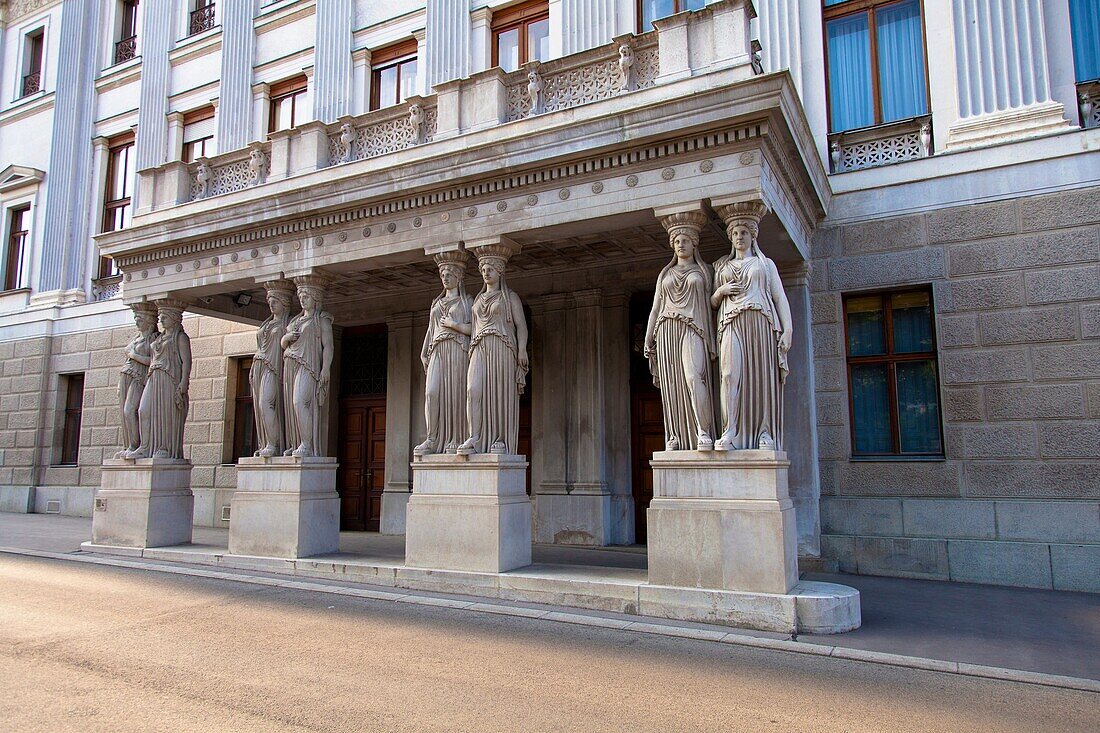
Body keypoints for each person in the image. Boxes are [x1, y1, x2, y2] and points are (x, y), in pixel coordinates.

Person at [711, 208, 792, 451]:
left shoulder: (764, 264)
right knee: (728, 375)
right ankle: (730, 431)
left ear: (752, 236)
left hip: (759, 322)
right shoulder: (722, 266)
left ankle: (764, 432)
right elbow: (713, 303)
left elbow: (779, 298)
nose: (739, 236)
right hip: (729, 322)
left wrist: (788, 329)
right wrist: (721, 292)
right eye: (735, 232)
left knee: (759, 377)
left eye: (744, 232)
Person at [644, 214, 716, 451]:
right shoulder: (665, 274)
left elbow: (713, 303)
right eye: (677, 241)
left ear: (694, 243)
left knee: (694, 377)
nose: (681, 244)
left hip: (693, 327)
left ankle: (703, 431)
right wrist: (648, 336)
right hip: (666, 329)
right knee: (671, 384)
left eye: (685, 240)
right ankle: (674, 434)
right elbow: (656, 307)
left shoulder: (704, 271)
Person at [457, 251, 528, 455]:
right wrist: (453, 326)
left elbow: (521, 325)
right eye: (483, 270)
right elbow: (473, 327)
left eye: (490, 270)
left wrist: (522, 349)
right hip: (479, 347)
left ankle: (500, 439)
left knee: (499, 393)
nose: (486, 273)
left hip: (502, 347)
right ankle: (475, 435)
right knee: (473, 389)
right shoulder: (478, 299)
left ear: (500, 272)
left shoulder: (509, 297)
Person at [415, 255, 473, 455]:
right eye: (442, 274)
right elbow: (431, 330)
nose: (445, 278)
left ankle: (456, 438)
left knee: (456, 393)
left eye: (449, 274)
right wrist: (424, 353)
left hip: (457, 348)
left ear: (459, 277)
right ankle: (432, 438)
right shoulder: (437, 303)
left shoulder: (467, 302)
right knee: (432, 392)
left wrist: (454, 325)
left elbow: (474, 329)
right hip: (437, 349)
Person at [129, 303, 191, 459]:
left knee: (164, 413)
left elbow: (187, 362)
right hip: (154, 376)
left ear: (174, 318)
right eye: (160, 317)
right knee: (144, 410)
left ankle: (163, 447)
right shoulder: (160, 337)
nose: (161, 320)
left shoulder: (180, 337)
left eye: (164, 317)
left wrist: (184, 383)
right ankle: (145, 447)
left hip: (169, 377)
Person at [282, 278, 334, 458]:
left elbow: (328, 346)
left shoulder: (321, 321)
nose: (302, 300)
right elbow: (283, 343)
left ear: (316, 299)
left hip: (309, 366)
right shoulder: (295, 321)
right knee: (291, 406)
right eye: (301, 296)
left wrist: (325, 368)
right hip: (291, 365)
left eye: (306, 296)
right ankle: (295, 442)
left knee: (300, 402)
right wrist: (286, 338)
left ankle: (307, 444)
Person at [251, 282, 293, 457]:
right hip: (259, 366)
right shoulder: (266, 323)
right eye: (270, 300)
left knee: (266, 403)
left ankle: (274, 444)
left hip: (274, 367)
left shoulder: (289, 323)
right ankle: (267, 442)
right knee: (260, 406)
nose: (271, 304)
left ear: (284, 302)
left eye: (275, 301)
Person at [115, 304, 158, 458]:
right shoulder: (137, 337)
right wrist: (120, 383)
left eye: (140, 319)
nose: (136, 322)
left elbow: (153, 361)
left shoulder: (154, 338)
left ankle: (138, 445)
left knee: (130, 411)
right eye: (136, 318)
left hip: (140, 378)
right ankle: (131, 446)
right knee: (125, 412)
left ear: (150, 321)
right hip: (127, 375)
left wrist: (133, 355)